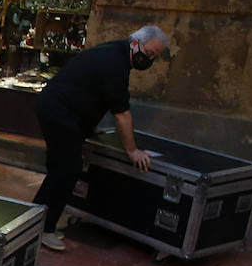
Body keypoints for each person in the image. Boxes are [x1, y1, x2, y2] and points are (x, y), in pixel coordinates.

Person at [32, 24, 169, 251]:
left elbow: (94, 92)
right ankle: (42, 229)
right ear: (135, 43)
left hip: (61, 111)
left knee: (60, 169)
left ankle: (37, 223)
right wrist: (132, 150)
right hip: (59, 114)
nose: (150, 60)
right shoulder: (116, 64)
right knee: (67, 170)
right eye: (149, 53)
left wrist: (90, 124)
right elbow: (122, 114)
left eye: (155, 56)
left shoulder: (116, 52)